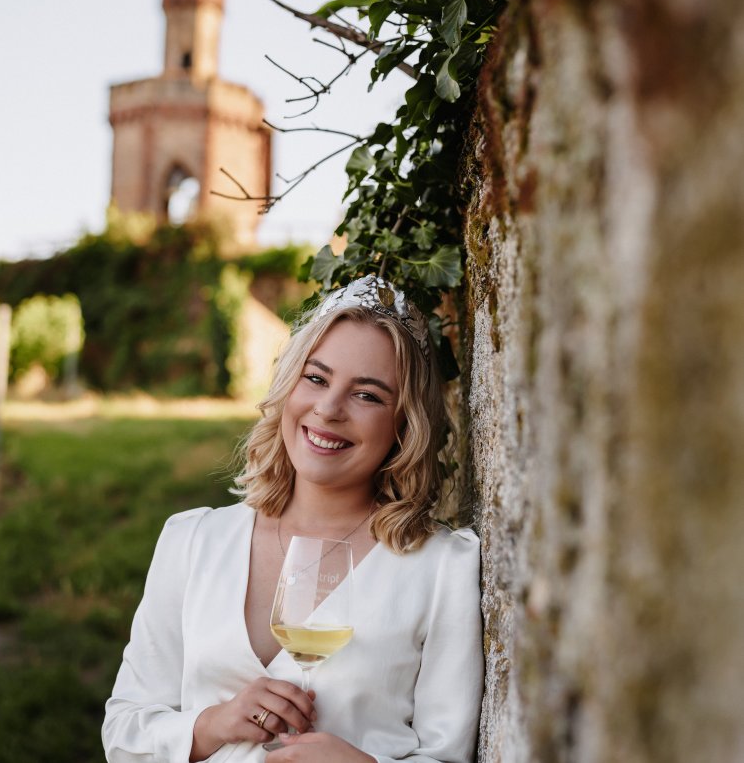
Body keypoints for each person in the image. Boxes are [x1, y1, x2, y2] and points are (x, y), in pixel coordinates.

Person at [102, 274, 484, 763]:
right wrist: (211, 724)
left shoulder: (441, 569)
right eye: (316, 378)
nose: (328, 409)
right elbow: (123, 733)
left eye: (367, 395)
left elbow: (449, 756)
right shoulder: (192, 540)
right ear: (289, 383)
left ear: (405, 423)